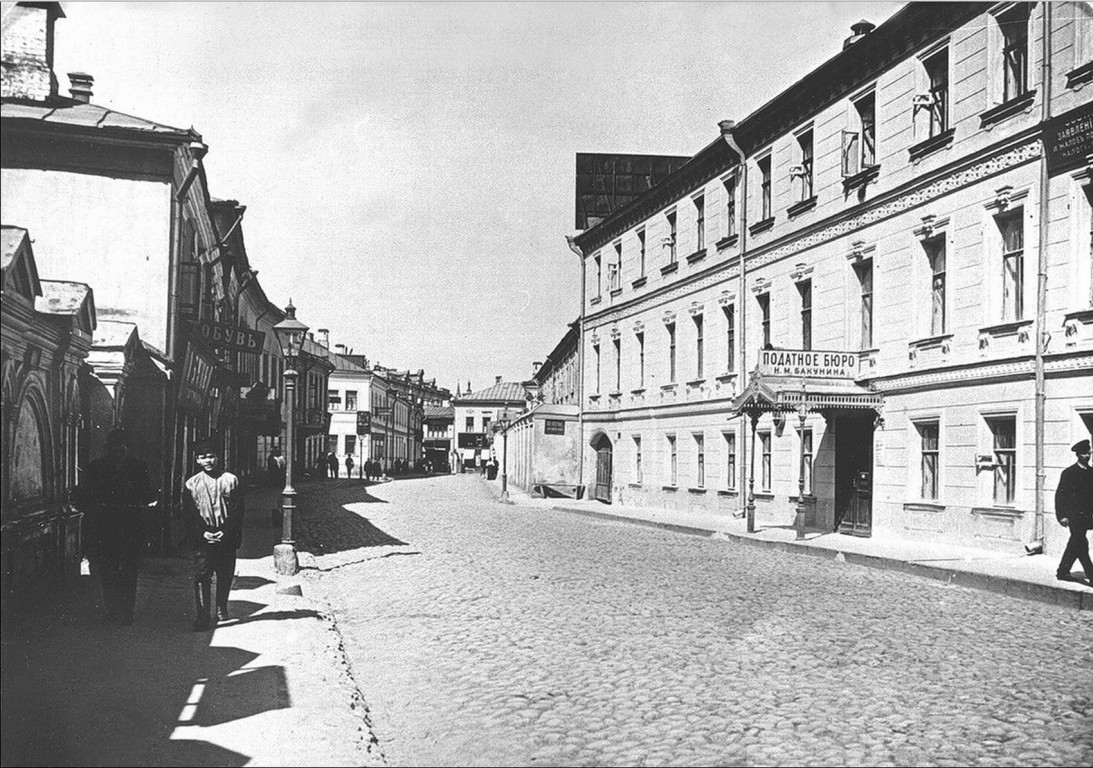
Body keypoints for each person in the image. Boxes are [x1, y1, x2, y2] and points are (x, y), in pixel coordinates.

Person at [74, 428, 156, 625]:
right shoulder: (96, 468)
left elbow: (149, 495)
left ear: (127, 448)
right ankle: (113, 611)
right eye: (115, 447)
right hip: (105, 529)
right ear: (108, 448)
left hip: (131, 529)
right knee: (108, 572)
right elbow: (84, 496)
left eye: (122, 446)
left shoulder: (138, 468)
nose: (119, 450)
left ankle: (126, 613)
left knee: (129, 572)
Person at [183, 438, 245, 631]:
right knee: (202, 576)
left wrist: (224, 532)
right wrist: (203, 533)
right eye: (203, 457)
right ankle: (203, 617)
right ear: (197, 460)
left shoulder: (230, 480)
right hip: (204, 538)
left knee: (225, 574)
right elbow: (190, 514)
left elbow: (238, 511)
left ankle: (221, 607)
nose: (208, 460)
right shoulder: (191, 484)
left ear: (218, 457)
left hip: (225, 537)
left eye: (211, 456)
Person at [1055, 438, 1093, 584]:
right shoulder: (1069, 473)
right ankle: (1091, 574)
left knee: (1075, 543)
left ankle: (1062, 571)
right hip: (1074, 516)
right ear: (1078, 455)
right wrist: (1061, 516)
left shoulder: (1091, 472)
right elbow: (1060, 495)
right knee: (1081, 543)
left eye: (1088, 453)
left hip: (1087, 515)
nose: (1087, 456)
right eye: (1084, 454)